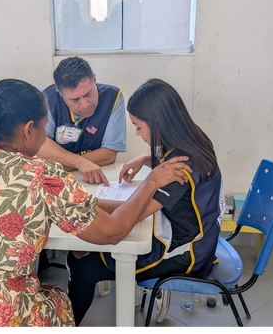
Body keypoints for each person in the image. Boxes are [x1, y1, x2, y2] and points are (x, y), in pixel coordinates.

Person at [0, 78, 192, 329]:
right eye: (45, 129)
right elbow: (112, 233)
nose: (46, 138)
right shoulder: (41, 175)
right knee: (57, 300)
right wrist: (152, 181)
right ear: (29, 129)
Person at [66, 78, 226, 328]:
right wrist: (144, 159)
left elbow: (132, 212)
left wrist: (87, 201)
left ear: (158, 123)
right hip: (199, 235)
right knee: (81, 255)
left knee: (85, 268)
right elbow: (163, 166)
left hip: (187, 253)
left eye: (139, 127)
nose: (138, 134)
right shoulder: (190, 140)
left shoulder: (179, 170)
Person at [37, 56, 127, 187]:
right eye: (74, 100)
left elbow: (109, 154)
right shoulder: (47, 99)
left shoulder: (113, 97)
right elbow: (42, 145)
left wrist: (62, 164)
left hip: (93, 178)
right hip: (58, 180)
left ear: (94, 80)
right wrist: (79, 163)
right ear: (60, 94)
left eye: (88, 94)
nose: (84, 105)